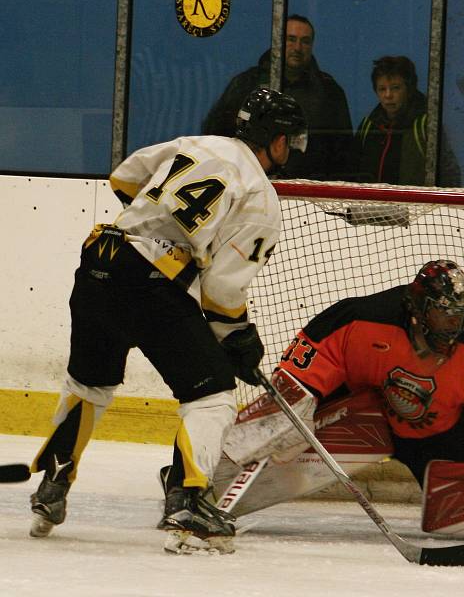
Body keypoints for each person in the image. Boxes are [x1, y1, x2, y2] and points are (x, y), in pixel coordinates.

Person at [27, 88, 307, 554]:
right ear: (275, 141)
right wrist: (239, 339)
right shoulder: (260, 195)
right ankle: (189, 502)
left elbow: (123, 178)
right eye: (290, 140)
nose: (291, 150)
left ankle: (52, 485)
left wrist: (162, 220)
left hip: (100, 260)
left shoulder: (198, 144)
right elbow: (221, 293)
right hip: (148, 283)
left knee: (89, 384)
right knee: (213, 392)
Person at [275, 259, 464, 486]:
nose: (455, 325)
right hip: (353, 417)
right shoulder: (360, 318)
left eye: (460, 316)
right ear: (419, 308)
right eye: (444, 314)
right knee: (281, 430)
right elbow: (299, 375)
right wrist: (290, 416)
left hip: (427, 429)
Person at [202, 14, 352, 181]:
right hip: (247, 185)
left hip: (310, 193)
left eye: (305, 41)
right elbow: (216, 135)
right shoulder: (246, 83)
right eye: (291, 39)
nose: (297, 47)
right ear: (277, 41)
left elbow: (344, 153)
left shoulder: (329, 92)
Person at [351, 56, 461, 187]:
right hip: (370, 205)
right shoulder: (368, 125)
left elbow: (449, 174)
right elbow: (353, 170)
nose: (388, 95)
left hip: (416, 206)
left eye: (395, 88)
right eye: (382, 89)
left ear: (409, 89)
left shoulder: (425, 124)